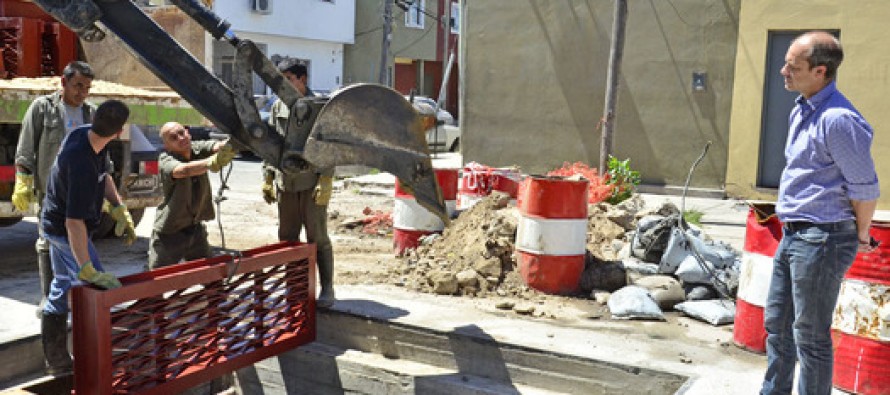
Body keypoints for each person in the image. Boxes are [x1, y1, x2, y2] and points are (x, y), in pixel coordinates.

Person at [761, 31, 880, 395]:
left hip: (822, 238)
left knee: (810, 337)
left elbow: (866, 187)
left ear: (820, 71)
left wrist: (860, 236)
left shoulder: (838, 120)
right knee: (777, 327)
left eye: (793, 66)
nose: (783, 71)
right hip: (795, 233)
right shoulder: (804, 108)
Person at [39, 100, 135, 375]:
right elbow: (74, 223)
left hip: (57, 223)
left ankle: (57, 360)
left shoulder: (85, 134)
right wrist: (87, 268)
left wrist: (118, 208)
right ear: (119, 132)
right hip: (62, 229)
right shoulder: (79, 161)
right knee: (97, 290)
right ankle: (98, 367)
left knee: (61, 286)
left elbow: (104, 176)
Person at [12, 61, 97, 308]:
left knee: (79, 241)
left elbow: (102, 153)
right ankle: (49, 298)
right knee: (48, 240)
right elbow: (26, 148)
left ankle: (75, 297)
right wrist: (23, 180)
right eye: (77, 86)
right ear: (63, 82)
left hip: (81, 191)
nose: (82, 92)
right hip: (52, 190)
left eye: (87, 87)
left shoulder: (90, 113)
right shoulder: (43, 108)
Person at [261, 60, 336, 307]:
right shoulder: (278, 108)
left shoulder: (320, 107)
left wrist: (325, 179)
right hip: (287, 184)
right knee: (287, 238)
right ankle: (295, 289)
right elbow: (271, 145)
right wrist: (268, 177)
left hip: (312, 183)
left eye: (287, 79)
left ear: (302, 80)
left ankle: (327, 289)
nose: (282, 85)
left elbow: (329, 146)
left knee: (318, 238)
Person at [147, 122, 235, 269]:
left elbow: (217, 146)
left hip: (194, 228)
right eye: (174, 138)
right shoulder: (165, 159)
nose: (181, 138)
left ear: (188, 133)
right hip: (170, 232)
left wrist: (232, 144)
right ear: (167, 145)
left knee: (210, 276)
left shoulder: (196, 148)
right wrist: (211, 162)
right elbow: (183, 171)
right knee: (156, 281)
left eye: (182, 133)